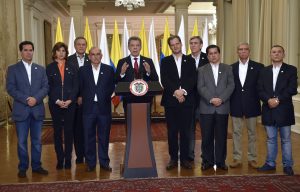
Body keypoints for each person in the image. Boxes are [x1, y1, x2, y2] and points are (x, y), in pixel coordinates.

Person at [6, 41, 49, 178]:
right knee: (22, 142)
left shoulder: (41, 69)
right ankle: (23, 167)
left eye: (31, 50)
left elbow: (45, 87)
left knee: (37, 141)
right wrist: (26, 99)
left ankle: (36, 166)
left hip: (37, 110)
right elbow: (11, 88)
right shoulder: (13, 69)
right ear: (21, 52)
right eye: (25, 50)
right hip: (21, 111)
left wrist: (35, 99)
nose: (28, 52)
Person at [257, 45, 297, 176]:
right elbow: (259, 89)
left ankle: (288, 165)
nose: (276, 54)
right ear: (270, 55)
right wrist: (268, 100)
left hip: (284, 109)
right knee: (271, 138)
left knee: (286, 139)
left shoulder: (291, 70)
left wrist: (277, 99)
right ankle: (270, 163)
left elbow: (292, 89)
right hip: (268, 109)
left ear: (283, 54)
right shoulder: (264, 71)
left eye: (279, 52)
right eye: (274, 52)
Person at [160, 35, 196, 170]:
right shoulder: (165, 61)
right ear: (170, 47)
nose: (175, 46)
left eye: (177, 43)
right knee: (172, 131)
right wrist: (176, 92)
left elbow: (193, 78)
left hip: (187, 101)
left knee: (186, 131)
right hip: (171, 101)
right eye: (172, 44)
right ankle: (173, 158)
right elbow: (164, 79)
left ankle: (185, 159)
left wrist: (183, 91)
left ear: (181, 44)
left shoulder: (190, 60)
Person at [197, 44, 234, 171]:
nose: (213, 55)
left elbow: (231, 86)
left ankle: (220, 161)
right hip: (206, 107)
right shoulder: (201, 69)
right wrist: (211, 99)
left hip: (222, 108)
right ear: (207, 56)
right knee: (206, 136)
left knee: (221, 136)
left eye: (215, 53)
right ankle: (207, 161)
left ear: (219, 54)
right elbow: (200, 87)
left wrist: (221, 99)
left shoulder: (228, 68)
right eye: (210, 53)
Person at [78, 47, 115, 172]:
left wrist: (104, 96)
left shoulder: (109, 69)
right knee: (89, 136)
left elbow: (111, 87)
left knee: (104, 136)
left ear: (101, 55)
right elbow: (80, 87)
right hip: (88, 108)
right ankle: (91, 163)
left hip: (104, 108)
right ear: (89, 56)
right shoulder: (82, 70)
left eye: (98, 54)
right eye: (93, 54)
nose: (95, 57)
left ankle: (104, 162)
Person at [229, 43, 264, 169]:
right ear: (237, 52)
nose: (243, 51)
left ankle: (252, 158)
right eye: (240, 49)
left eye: (245, 49)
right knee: (236, 133)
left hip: (252, 105)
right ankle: (237, 158)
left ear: (249, 51)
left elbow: (261, 87)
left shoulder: (259, 67)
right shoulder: (231, 68)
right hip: (236, 105)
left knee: (252, 133)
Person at [46, 42, 78, 170]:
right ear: (55, 53)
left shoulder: (72, 66)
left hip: (70, 104)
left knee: (69, 132)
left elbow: (76, 86)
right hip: (55, 104)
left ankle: (68, 159)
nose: (61, 53)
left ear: (66, 53)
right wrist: (57, 100)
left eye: (63, 51)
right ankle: (60, 159)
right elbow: (48, 87)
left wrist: (70, 100)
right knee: (57, 132)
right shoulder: (49, 68)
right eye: (59, 51)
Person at [115, 36, 158, 111]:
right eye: (132, 45)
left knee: (145, 121)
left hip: (146, 99)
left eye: (137, 45)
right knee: (130, 121)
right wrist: (122, 73)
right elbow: (116, 80)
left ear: (140, 47)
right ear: (128, 47)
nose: (135, 48)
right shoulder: (122, 62)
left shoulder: (148, 61)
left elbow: (156, 79)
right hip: (128, 99)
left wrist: (149, 72)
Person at [67, 36, 90, 164]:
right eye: (79, 44)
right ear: (75, 46)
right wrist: (76, 97)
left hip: (89, 100)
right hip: (74, 101)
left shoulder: (91, 58)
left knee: (88, 128)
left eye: (83, 44)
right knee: (76, 129)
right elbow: (69, 82)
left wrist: (83, 96)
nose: (81, 46)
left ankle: (89, 154)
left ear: (86, 46)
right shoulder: (68, 60)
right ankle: (79, 156)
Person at [187, 36, 209, 161]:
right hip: (189, 100)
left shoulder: (208, 58)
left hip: (205, 100)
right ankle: (189, 155)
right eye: (191, 43)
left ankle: (206, 155)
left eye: (196, 43)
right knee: (189, 130)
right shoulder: (185, 59)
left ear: (201, 45)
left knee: (206, 130)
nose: (193, 45)